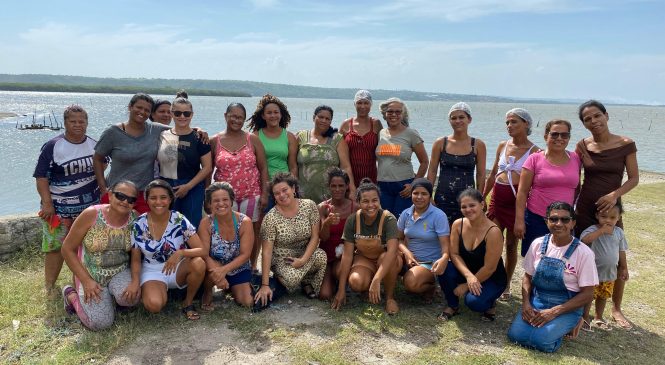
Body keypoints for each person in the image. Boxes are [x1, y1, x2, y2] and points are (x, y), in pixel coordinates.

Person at [575, 99, 638, 330]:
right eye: (587, 119)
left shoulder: (626, 143)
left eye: (596, 116)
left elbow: (634, 178)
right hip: (584, 208)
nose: (593, 121)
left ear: (606, 115)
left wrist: (614, 195)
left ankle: (616, 308)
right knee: (582, 256)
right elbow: (574, 175)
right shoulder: (582, 145)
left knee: (615, 258)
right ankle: (581, 308)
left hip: (611, 211)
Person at [508, 201, 598, 353]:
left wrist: (554, 312)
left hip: (567, 307)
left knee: (541, 342)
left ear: (573, 223)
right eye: (553, 219)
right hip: (537, 302)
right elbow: (527, 278)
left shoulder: (584, 253)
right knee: (516, 336)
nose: (558, 223)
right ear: (546, 221)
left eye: (565, 219)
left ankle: (572, 323)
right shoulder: (537, 244)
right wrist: (526, 304)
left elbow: (588, 294)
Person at [33, 105, 102, 297]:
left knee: (87, 247)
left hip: (88, 209)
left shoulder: (95, 145)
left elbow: (101, 170)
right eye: (73, 121)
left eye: (82, 121)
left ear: (87, 123)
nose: (78, 125)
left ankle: (82, 283)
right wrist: (47, 203)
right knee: (55, 247)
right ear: (65, 123)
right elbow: (41, 177)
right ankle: (49, 286)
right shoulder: (53, 146)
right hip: (58, 209)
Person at [60, 180, 141, 331]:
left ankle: (112, 298)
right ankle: (70, 295)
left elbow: (136, 255)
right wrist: (86, 280)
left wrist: (136, 281)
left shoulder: (135, 218)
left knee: (133, 298)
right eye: (120, 196)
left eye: (131, 199)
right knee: (100, 324)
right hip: (91, 273)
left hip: (119, 270)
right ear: (110, 195)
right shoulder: (92, 214)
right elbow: (67, 249)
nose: (125, 202)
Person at [484, 108, 540, 300]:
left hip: (517, 203)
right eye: (507, 122)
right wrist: (483, 196)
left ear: (526, 124)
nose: (509, 126)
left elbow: (535, 184)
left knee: (510, 245)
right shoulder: (502, 145)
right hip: (497, 201)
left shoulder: (535, 151)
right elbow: (492, 174)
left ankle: (506, 284)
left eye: (514, 122)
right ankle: (491, 279)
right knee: (492, 242)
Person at [131, 180, 207, 320]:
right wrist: (135, 282)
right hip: (152, 270)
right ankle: (157, 292)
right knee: (154, 306)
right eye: (153, 198)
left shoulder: (179, 219)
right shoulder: (138, 224)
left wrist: (181, 253)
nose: (158, 202)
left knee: (199, 263)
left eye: (163, 197)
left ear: (170, 199)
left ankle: (187, 303)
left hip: (177, 268)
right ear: (146, 199)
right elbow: (135, 259)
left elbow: (202, 250)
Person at [254, 173, 327, 306]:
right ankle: (283, 279)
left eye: (284, 190)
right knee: (292, 279)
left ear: (293, 189)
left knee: (321, 256)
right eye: (277, 193)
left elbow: (315, 237)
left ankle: (305, 281)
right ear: (274, 197)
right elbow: (266, 252)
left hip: (305, 255)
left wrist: (303, 260)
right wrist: (264, 284)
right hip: (283, 260)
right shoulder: (270, 218)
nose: (281, 195)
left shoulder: (310, 206)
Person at [211, 102, 269, 268]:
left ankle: (250, 268)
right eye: (233, 116)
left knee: (252, 232)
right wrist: (207, 198)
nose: (236, 120)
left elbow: (263, 168)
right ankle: (229, 268)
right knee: (225, 232)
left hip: (251, 195)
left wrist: (264, 194)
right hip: (224, 199)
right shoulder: (215, 141)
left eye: (240, 118)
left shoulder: (253, 139)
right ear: (225, 116)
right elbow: (208, 171)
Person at [331, 178, 402, 314]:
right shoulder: (353, 220)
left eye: (374, 200)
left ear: (379, 201)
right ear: (358, 203)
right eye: (365, 201)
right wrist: (341, 290)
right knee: (356, 282)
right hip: (365, 259)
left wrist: (377, 279)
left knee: (387, 257)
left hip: (387, 259)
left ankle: (389, 298)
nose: (371, 205)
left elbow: (393, 251)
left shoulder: (388, 219)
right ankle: (367, 289)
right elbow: (347, 255)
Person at [514, 119, 581, 256]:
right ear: (546, 136)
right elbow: (522, 192)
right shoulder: (534, 159)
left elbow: (577, 188)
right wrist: (519, 220)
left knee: (563, 260)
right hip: (537, 218)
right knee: (534, 260)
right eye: (554, 134)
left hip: (565, 220)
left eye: (564, 135)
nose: (559, 138)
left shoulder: (575, 158)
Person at [438, 188, 506, 321]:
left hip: (491, 277)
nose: (468, 209)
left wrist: (465, 286)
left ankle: (490, 303)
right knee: (444, 268)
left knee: (474, 303)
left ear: (482, 204)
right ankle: (453, 305)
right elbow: (454, 254)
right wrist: (469, 276)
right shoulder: (458, 224)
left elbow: (490, 268)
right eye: (464, 207)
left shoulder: (493, 232)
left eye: (472, 205)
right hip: (467, 272)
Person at [93, 93, 167, 213]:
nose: (142, 112)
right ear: (130, 107)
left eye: (147, 110)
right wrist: (102, 188)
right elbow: (97, 158)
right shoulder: (113, 132)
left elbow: (180, 130)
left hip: (143, 195)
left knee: (141, 230)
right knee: (112, 230)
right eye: (139, 107)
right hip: (117, 194)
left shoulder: (155, 129)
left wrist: (200, 131)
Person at [156, 96, 212, 228]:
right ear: (171, 114)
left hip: (192, 187)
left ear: (192, 115)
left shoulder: (199, 137)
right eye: (177, 113)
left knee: (191, 226)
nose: (182, 116)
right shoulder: (161, 135)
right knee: (167, 225)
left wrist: (188, 186)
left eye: (186, 113)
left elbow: (207, 167)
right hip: (167, 185)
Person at [428, 102, 487, 224]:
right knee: (442, 233)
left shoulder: (477, 145)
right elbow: (432, 170)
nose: (457, 121)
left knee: (465, 233)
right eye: (453, 118)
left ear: (469, 119)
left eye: (461, 117)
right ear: (449, 120)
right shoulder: (440, 143)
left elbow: (480, 174)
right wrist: (428, 195)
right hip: (443, 196)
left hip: (468, 199)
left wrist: (480, 197)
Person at [198, 182, 254, 309]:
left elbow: (245, 255)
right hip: (214, 267)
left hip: (237, 267)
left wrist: (224, 270)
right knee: (212, 264)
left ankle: (231, 287)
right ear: (209, 204)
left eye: (225, 199)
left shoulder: (244, 222)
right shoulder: (205, 223)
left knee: (247, 302)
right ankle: (207, 291)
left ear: (232, 201)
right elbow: (204, 254)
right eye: (216, 201)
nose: (221, 204)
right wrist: (218, 273)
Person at [397, 178, 450, 303]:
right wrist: (407, 253)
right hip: (409, 260)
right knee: (389, 258)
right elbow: (398, 239)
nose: (419, 197)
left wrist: (443, 259)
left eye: (424, 194)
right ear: (411, 194)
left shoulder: (439, 216)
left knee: (411, 283)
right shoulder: (406, 214)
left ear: (430, 196)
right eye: (416, 193)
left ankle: (431, 287)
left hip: (429, 262)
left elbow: (446, 248)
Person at [375, 97, 428, 217]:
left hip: (404, 187)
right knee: (385, 221)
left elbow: (424, 162)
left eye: (398, 112)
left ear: (402, 114)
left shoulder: (411, 134)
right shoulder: (381, 133)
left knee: (401, 222)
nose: (394, 114)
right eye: (390, 111)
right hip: (383, 186)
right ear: (385, 114)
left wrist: (414, 184)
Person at [580, 202, 629, 331]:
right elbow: (585, 240)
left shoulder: (618, 232)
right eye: (604, 217)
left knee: (603, 296)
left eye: (612, 218)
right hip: (592, 273)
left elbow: (621, 251)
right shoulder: (593, 229)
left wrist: (624, 267)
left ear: (618, 218)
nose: (608, 220)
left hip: (609, 274)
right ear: (597, 215)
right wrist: (601, 231)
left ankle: (598, 317)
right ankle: (585, 317)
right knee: (589, 296)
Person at [297, 105, 356, 203]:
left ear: (330, 121)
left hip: (329, 196)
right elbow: (293, 166)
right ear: (313, 117)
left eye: (327, 119)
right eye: (320, 117)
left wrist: (352, 189)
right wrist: (292, 188)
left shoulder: (337, 139)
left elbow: (345, 167)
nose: (324, 120)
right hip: (303, 195)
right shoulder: (301, 137)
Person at [318, 167, 356, 300]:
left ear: (347, 186)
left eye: (341, 185)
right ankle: (333, 281)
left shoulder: (355, 208)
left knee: (340, 271)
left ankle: (343, 282)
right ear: (329, 187)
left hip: (345, 256)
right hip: (327, 256)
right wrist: (327, 223)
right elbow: (323, 237)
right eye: (333, 186)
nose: (337, 189)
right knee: (325, 295)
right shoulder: (323, 207)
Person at [248, 94, 298, 180]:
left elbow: (293, 167)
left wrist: (292, 187)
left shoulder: (289, 137)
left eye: (276, 112)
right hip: (262, 184)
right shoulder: (255, 136)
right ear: (263, 116)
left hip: (284, 185)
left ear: (281, 114)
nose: (273, 116)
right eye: (269, 113)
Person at [339, 90, 383, 183]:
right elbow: (337, 151)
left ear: (371, 105)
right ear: (354, 104)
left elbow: (383, 151)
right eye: (359, 103)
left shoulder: (376, 124)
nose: (362, 106)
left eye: (366, 103)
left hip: (372, 176)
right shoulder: (346, 124)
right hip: (349, 177)